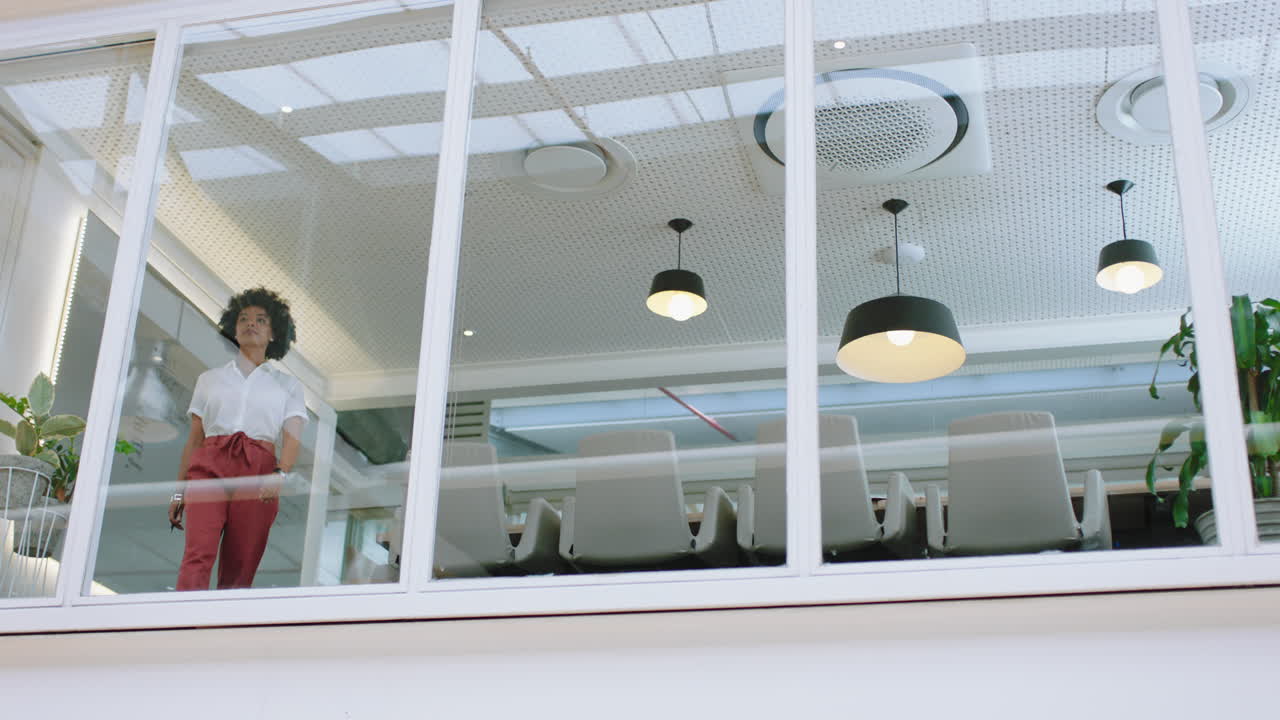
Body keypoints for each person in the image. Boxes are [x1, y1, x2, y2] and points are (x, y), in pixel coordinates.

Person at [168, 287, 307, 591]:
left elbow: (292, 437)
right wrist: (179, 493)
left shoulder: (288, 385)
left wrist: (280, 473)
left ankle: (220, 633)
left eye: (260, 319)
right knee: (197, 553)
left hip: (259, 470)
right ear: (233, 328)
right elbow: (194, 439)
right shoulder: (209, 380)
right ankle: (180, 621)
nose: (251, 324)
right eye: (243, 318)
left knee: (241, 563)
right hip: (209, 465)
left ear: (274, 333)